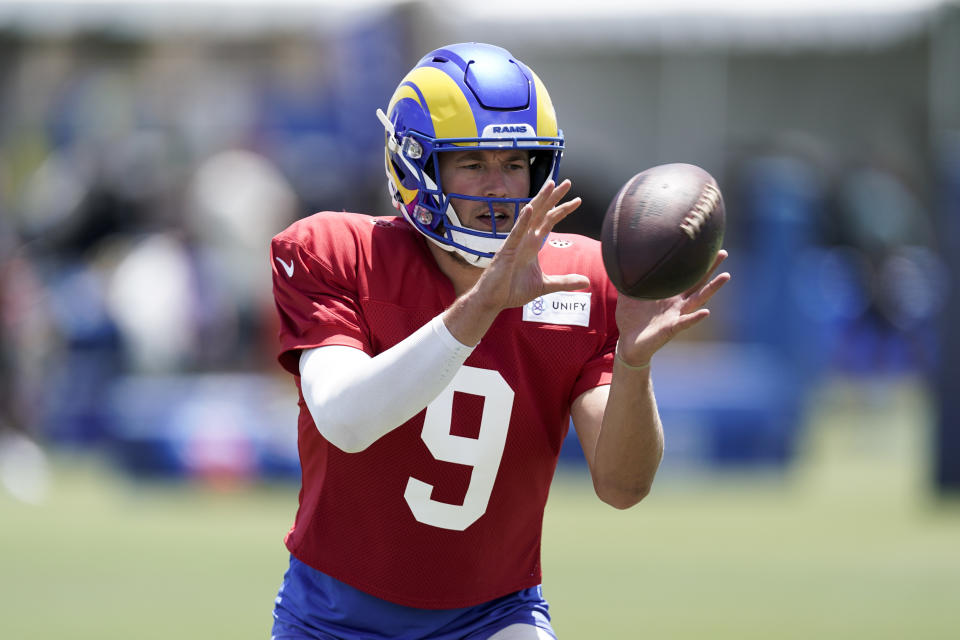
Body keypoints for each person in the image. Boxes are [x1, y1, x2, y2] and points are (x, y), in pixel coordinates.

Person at [269, 42, 729, 640]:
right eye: (473, 163)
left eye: (516, 164)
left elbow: (622, 487)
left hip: (493, 615)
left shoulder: (584, 280)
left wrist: (635, 364)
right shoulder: (336, 252)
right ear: (415, 167)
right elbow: (346, 419)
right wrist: (483, 304)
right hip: (333, 615)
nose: (498, 189)